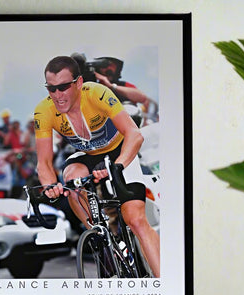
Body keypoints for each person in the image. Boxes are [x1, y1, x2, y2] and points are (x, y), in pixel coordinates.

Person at [33, 55, 160, 277]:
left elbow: (134, 134)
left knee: (136, 219)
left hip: (120, 151)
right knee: (72, 180)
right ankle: (101, 237)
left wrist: (117, 167)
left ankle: (164, 285)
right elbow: (43, 163)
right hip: (87, 154)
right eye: (51, 89)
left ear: (79, 83)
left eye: (63, 87)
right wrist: (49, 186)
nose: (58, 95)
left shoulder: (95, 93)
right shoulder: (43, 110)